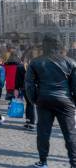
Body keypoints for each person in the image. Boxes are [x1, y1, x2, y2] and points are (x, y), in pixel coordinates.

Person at [26, 34, 76, 168]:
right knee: (70, 133)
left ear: (44, 46)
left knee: (43, 132)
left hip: (44, 100)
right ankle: (74, 163)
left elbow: (29, 85)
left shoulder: (35, 62)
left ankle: (43, 161)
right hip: (65, 101)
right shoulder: (70, 62)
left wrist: (34, 100)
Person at [14, 57, 36, 131]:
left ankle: (28, 122)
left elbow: (17, 79)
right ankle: (32, 123)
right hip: (32, 88)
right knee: (31, 105)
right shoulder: (34, 66)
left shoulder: (19, 67)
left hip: (23, 88)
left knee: (28, 104)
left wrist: (16, 88)